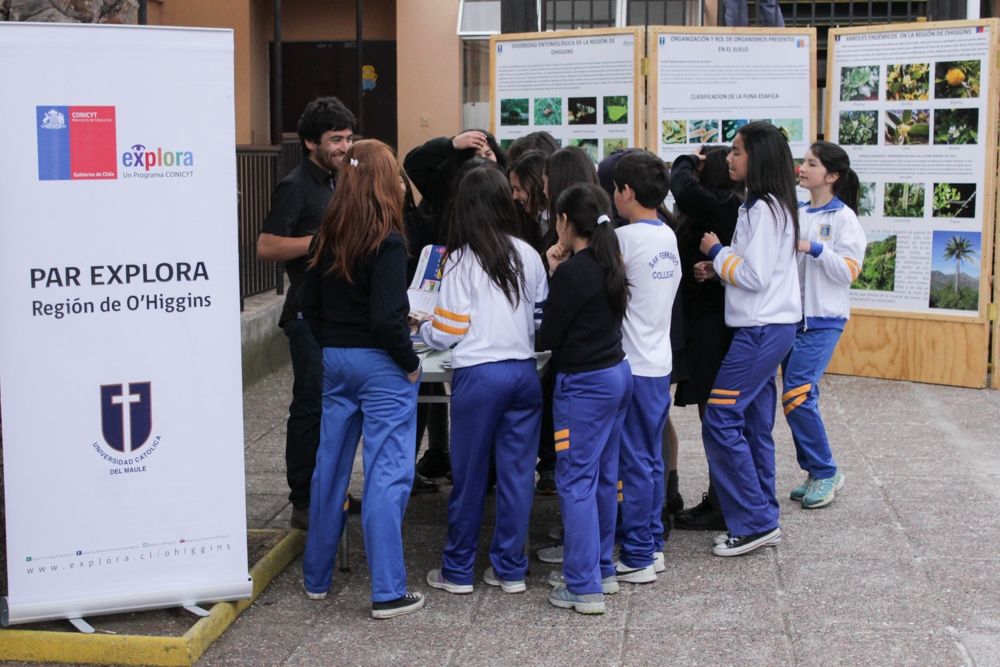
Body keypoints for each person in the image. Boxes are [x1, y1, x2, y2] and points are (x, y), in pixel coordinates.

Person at [299, 139, 424, 618]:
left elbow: (307, 307)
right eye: (393, 174)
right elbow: (388, 320)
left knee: (329, 470)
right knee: (386, 475)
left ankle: (316, 579)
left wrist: (333, 343)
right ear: (380, 180)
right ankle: (388, 591)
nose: (398, 182)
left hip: (335, 360)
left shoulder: (327, 235)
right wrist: (410, 363)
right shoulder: (388, 240)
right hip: (381, 366)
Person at [420, 167, 548, 595]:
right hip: (524, 375)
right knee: (516, 478)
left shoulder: (459, 259)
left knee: (470, 477)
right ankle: (510, 569)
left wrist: (421, 328)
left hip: (479, 377)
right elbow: (539, 318)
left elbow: (448, 330)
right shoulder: (528, 255)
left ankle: (457, 571)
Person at [694, 121, 800, 557]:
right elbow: (760, 271)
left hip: (760, 330)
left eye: (737, 151)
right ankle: (762, 515)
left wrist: (716, 252)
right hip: (766, 326)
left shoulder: (764, 210)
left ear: (758, 158)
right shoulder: (765, 206)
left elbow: (754, 276)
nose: (729, 158)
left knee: (719, 418)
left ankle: (754, 521)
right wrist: (719, 270)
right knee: (754, 425)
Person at [257, 96, 355, 530]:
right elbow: (266, 245)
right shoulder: (295, 185)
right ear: (312, 141)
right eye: (336, 139)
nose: (344, 147)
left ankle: (328, 485)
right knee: (311, 403)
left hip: (336, 313)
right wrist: (318, 243)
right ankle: (303, 499)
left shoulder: (341, 180)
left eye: (349, 138)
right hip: (304, 314)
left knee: (335, 404)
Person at [538, 183, 633, 615]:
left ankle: (583, 585)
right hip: (616, 374)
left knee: (574, 480)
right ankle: (601, 568)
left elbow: (548, 336)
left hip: (584, 385)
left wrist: (555, 271)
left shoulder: (575, 272)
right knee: (602, 476)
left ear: (565, 222)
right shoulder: (608, 260)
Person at [403, 130, 504, 481]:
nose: (484, 160)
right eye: (475, 155)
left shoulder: (505, 201)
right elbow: (413, 162)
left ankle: (476, 465)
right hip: (444, 303)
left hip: (488, 322)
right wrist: (450, 143)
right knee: (429, 380)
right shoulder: (444, 195)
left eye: (490, 154)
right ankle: (438, 454)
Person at [611, 151, 681, 583]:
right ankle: (651, 543)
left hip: (632, 364)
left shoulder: (625, 239)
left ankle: (636, 553)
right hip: (659, 362)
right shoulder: (667, 236)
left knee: (634, 462)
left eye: (615, 189)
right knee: (651, 459)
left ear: (628, 192)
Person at [783, 141, 866, 509]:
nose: (802, 168)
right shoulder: (797, 210)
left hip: (824, 319)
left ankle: (826, 470)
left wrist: (815, 249)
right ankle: (817, 471)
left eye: (811, 163)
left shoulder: (844, 217)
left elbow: (849, 271)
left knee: (796, 395)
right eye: (803, 161)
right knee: (800, 397)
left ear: (831, 176)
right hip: (791, 319)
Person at [670, 146, 744, 533]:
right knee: (713, 414)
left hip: (712, 325)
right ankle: (722, 497)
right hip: (703, 321)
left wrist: (686, 159)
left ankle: (721, 501)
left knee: (714, 415)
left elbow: (681, 188)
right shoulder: (718, 205)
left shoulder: (722, 203)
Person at [401, 167, 442, 494]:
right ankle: (402, 470)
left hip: (419, 317)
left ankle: (430, 457)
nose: (399, 185)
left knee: (430, 391)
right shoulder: (372, 227)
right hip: (396, 325)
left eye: (401, 178)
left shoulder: (419, 219)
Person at [509, 150, 550, 256]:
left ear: (535, 184)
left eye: (518, 189)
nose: (514, 196)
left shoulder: (560, 216)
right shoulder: (524, 217)